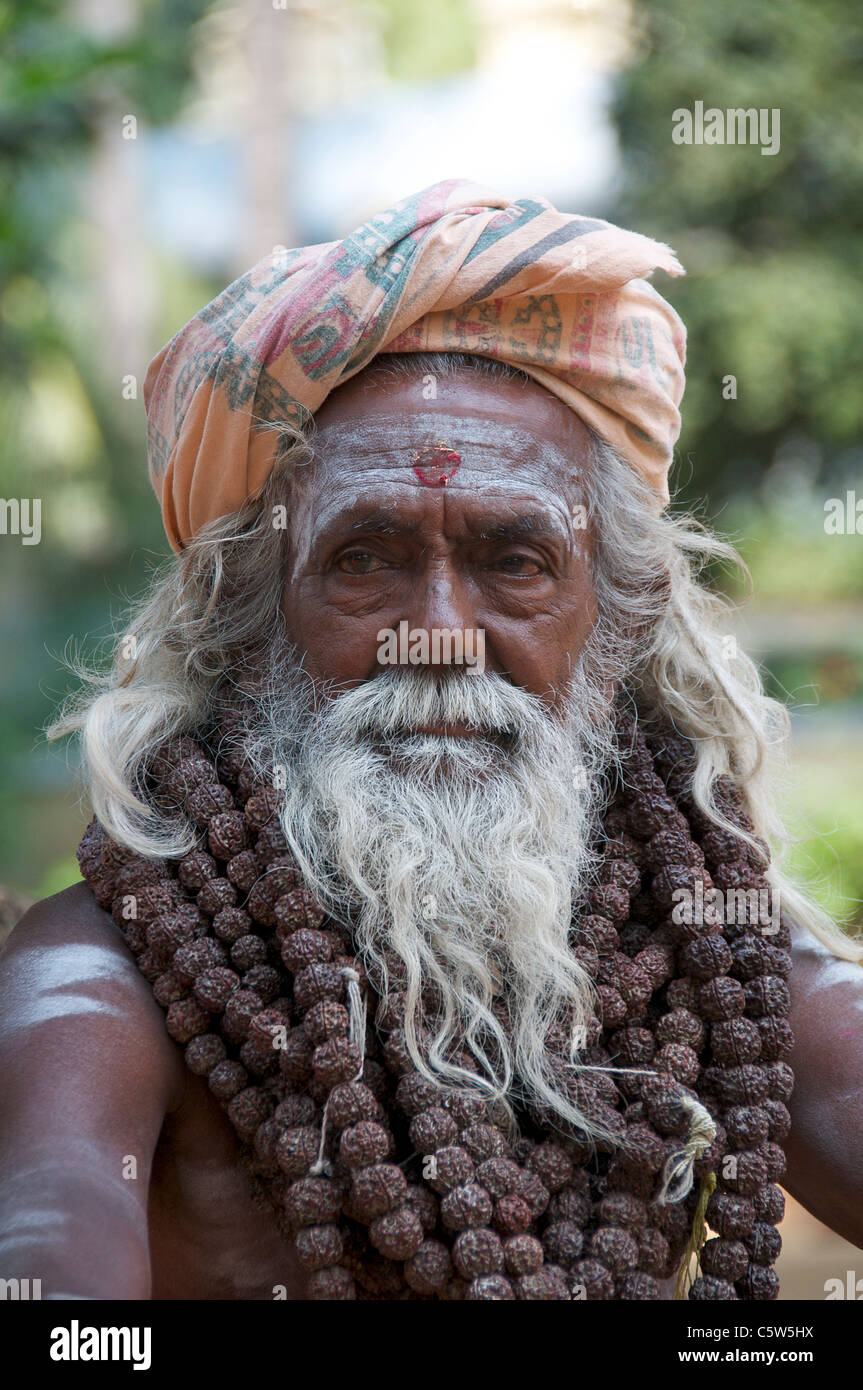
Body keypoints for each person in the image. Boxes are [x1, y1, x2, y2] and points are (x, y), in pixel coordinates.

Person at [1, 181, 861, 1302]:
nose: (438, 637)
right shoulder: (108, 978)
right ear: (247, 625)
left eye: (514, 562)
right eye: (364, 561)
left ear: (617, 622)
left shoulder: (705, 953)